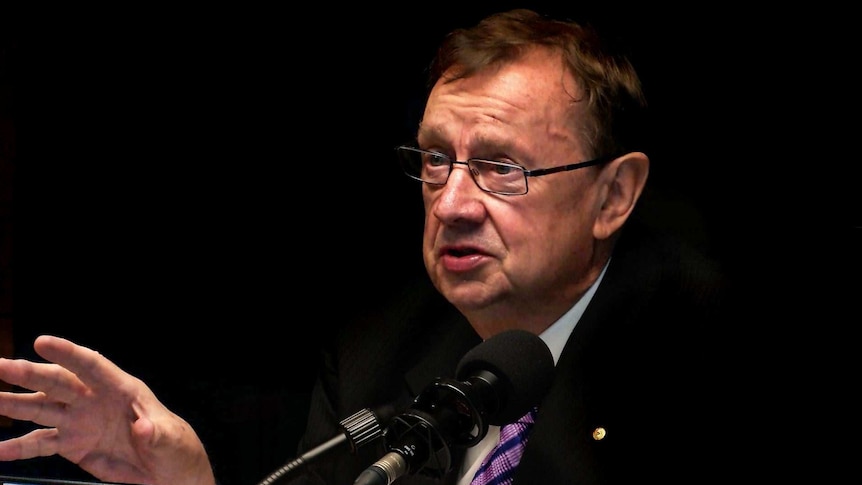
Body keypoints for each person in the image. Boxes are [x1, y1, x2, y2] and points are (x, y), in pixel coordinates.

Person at [0, 8, 745, 485]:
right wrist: (190, 482)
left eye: (500, 167)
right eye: (434, 160)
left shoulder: (707, 362)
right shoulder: (380, 356)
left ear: (612, 196)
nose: (451, 203)